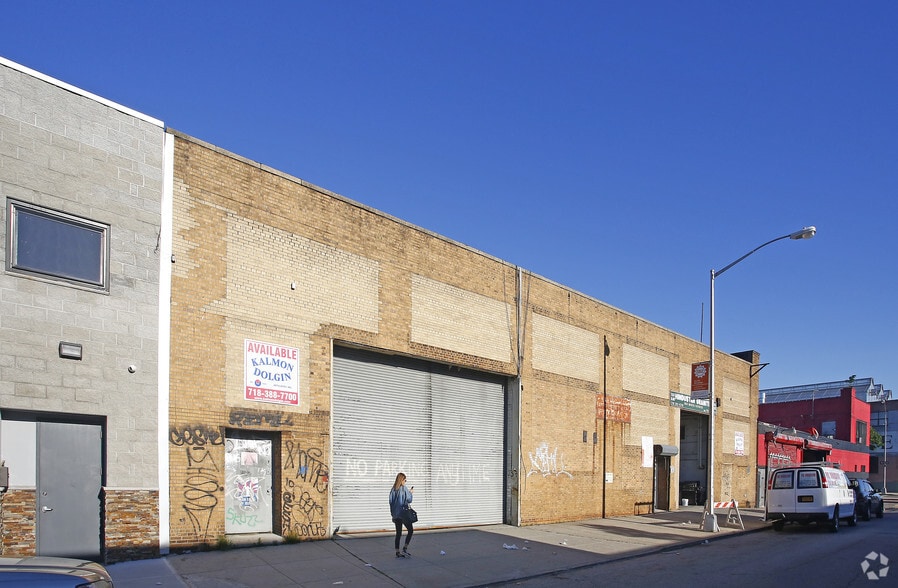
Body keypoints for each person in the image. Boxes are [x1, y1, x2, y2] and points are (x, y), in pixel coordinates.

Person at [389, 472, 414, 557]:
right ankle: (405, 548)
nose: (405, 482)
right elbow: (409, 499)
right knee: (410, 530)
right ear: (402, 480)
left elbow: (391, 502)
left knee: (398, 533)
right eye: (405, 480)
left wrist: (393, 514)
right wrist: (410, 492)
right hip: (404, 514)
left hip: (396, 515)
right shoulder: (404, 489)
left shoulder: (393, 489)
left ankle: (397, 552)